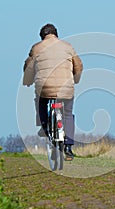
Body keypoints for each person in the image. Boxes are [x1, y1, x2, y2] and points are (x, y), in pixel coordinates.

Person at [23, 23, 83, 160]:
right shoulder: (68, 47)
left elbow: (29, 67)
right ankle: (68, 147)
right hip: (66, 89)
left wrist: (27, 80)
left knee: (39, 101)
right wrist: (76, 78)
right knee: (67, 113)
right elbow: (78, 65)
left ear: (42, 36)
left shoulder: (36, 48)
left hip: (45, 88)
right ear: (56, 34)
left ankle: (44, 126)